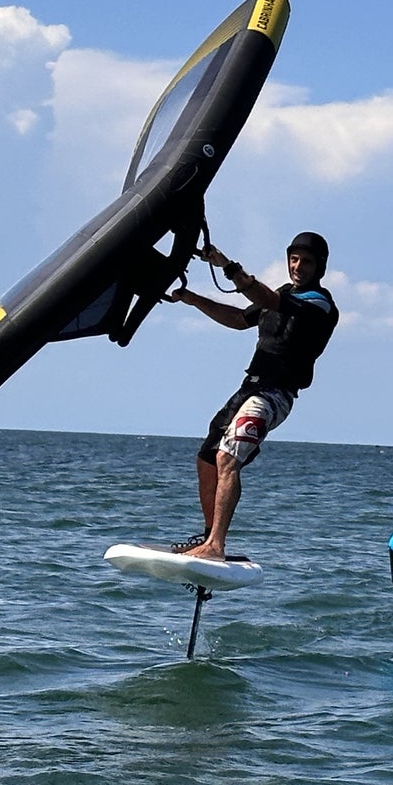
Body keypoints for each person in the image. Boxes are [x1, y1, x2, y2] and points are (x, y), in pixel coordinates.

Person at [164, 231, 338, 560]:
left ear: (320, 267)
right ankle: (207, 536)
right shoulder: (284, 293)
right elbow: (238, 319)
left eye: (307, 262)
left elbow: (273, 301)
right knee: (207, 456)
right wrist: (193, 299)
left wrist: (228, 266)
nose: (298, 266)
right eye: (294, 259)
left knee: (228, 456)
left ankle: (216, 544)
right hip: (251, 387)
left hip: (275, 395)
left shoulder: (320, 304)